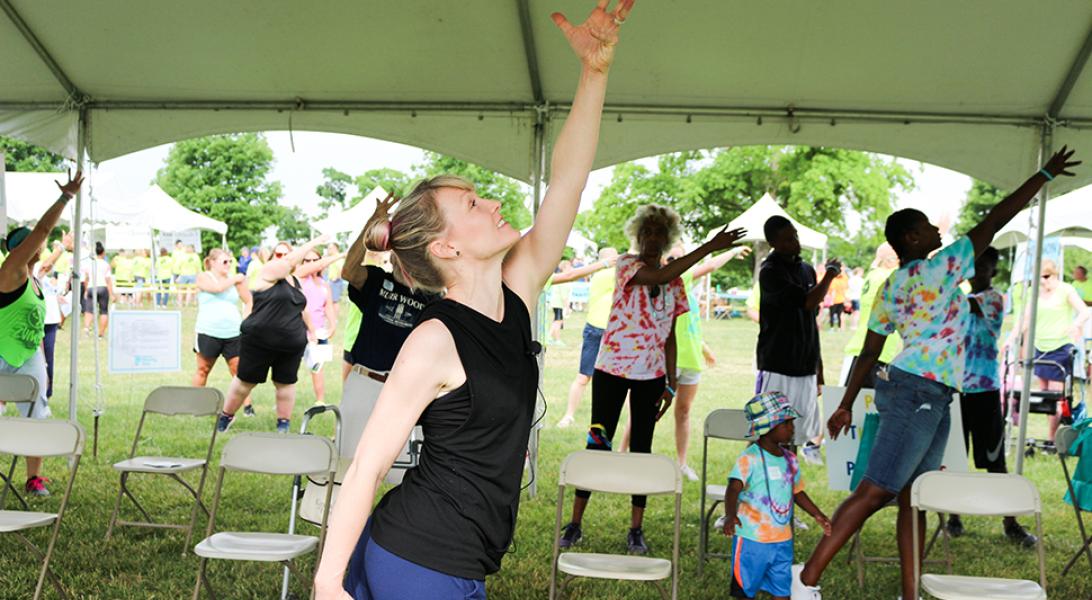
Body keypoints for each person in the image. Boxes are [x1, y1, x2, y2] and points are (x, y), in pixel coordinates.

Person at [314, 4, 633, 597]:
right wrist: (327, 583)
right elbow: (367, 467)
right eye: (471, 205)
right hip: (420, 561)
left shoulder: (519, 289)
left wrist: (594, 74)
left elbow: (568, 179)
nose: (491, 205)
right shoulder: (433, 340)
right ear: (446, 248)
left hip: (455, 563)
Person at [797, 147, 1081, 600]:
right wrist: (1043, 174)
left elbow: (871, 350)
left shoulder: (893, 285)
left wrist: (848, 403)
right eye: (928, 226)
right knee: (875, 491)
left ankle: (910, 595)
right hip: (917, 392)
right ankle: (805, 581)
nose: (936, 230)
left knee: (914, 497)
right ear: (911, 238)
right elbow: (994, 220)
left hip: (926, 391)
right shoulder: (940, 266)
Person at [558, 203, 744, 554]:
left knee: (642, 449)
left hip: (651, 375)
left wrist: (671, 383)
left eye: (659, 234)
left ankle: (635, 530)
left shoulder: (676, 281)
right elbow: (656, 277)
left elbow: (671, 335)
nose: (653, 239)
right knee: (598, 441)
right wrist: (710, 247)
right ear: (638, 237)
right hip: (612, 368)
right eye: (647, 233)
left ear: (668, 238)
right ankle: (575, 522)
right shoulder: (628, 266)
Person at [944, 247, 1037, 546]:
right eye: (975, 266)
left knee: (994, 461)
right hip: (956, 388)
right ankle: (953, 517)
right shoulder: (957, 301)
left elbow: (963, 304)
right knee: (956, 459)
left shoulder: (993, 299)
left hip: (983, 389)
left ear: (993, 272)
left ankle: (1010, 522)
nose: (978, 271)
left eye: (984, 267)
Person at [0, 170, 84, 498]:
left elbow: (46, 255)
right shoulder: (11, 270)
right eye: (33, 243)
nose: (40, 244)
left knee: (37, 415)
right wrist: (66, 197)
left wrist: (61, 250)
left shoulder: (34, 276)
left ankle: (33, 478)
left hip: (28, 355)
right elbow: (42, 229)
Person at [337, 197, 439, 464]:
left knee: (400, 468)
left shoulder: (433, 298)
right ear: (392, 256)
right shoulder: (376, 280)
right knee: (347, 461)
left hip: (402, 390)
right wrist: (374, 221)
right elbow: (348, 270)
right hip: (364, 380)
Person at [722, 392, 831, 600]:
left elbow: (797, 492)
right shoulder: (750, 458)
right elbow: (733, 488)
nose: (792, 428)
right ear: (769, 427)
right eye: (787, 423)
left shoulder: (790, 459)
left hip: (782, 539)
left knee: (781, 590)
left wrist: (817, 514)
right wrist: (729, 515)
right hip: (752, 539)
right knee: (745, 591)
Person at [217, 237, 328, 434]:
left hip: (291, 345)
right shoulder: (265, 275)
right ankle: (226, 416)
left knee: (285, 384)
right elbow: (287, 265)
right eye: (279, 254)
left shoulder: (295, 280)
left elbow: (302, 308)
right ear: (270, 258)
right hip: (259, 342)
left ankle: (283, 424)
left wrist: (312, 331)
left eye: (287, 254)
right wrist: (314, 242)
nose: (285, 258)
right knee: (245, 382)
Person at [756, 216, 839, 464]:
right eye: (787, 239)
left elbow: (810, 322)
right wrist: (830, 276)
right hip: (778, 364)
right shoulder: (770, 272)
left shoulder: (806, 270)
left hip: (805, 365)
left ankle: (788, 480)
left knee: (797, 431)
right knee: (772, 432)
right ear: (773, 242)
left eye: (795, 236)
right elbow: (807, 301)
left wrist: (819, 367)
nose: (795, 242)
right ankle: (767, 478)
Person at [664, 242, 750, 480]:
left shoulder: (688, 290)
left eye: (682, 258)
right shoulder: (672, 280)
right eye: (672, 259)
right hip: (668, 359)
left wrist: (703, 348)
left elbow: (688, 326)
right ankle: (626, 455)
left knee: (683, 412)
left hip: (690, 359)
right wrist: (732, 250)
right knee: (647, 411)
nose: (678, 263)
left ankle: (681, 464)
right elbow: (710, 265)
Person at [1007, 258, 1090, 443]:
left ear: (1055, 274)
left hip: (1061, 347)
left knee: (1056, 397)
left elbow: (1085, 311)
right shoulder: (1032, 292)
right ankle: (1052, 435)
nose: (1043, 281)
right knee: (1044, 397)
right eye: (1039, 277)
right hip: (1040, 347)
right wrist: (1011, 339)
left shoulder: (1066, 290)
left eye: (1046, 276)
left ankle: (1053, 439)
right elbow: (1025, 319)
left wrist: (1075, 325)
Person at [557, 247, 620, 428]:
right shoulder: (602, 276)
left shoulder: (610, 275)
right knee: (584, 376)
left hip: (613, 331)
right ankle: (569, 415)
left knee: (612, 380)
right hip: (596, 329)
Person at [194, 248, 254, 414]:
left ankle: (247, 406)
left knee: (239, 372)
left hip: (232, 332)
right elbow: (217, 288)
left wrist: (246, 320)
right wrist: (235, 278)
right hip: (208, 331)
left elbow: (249, 300)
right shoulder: (204, 277)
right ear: (212, 262)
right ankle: (195, 406)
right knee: (203, 369)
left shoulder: (235, 281)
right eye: (224, 261)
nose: (228, 265)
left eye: (230, 262)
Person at [838, 244, 902, 388]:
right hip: (867, 352)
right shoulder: (886, 278)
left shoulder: (874, 274)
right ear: (891, 260)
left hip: (876, 352)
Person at [297, 246, 342, 406]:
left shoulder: (324, 284)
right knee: (289, 368)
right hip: (299, 330)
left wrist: (332, 325)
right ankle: (284, 399)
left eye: (315, 260)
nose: (311, 264)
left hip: (319, 331)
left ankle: (320, 400)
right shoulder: (300, 278)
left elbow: (328, 306)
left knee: (317, 367)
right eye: (307, 260)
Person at [81, 242, 115, 338]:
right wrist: (111, 294)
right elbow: (108, 280)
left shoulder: (90, 263)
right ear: (103, 253)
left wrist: (86, 290)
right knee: (103, 311)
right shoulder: (106, 264)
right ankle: (101, 334)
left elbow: (86, 279)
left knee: (89, 310)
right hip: (102, 287)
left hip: (92, 287)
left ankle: (87, 328)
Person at [547, 260, 572, 345]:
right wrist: (567, 307)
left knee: (556, 321)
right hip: (558, 303)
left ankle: (549, 337)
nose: (571, 268)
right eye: (569, 266)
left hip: (556, 303)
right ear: (564, 268)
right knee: (558, 321)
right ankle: (557, 339)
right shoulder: (563, 278)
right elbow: (564, 296)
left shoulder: (560, 276)